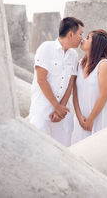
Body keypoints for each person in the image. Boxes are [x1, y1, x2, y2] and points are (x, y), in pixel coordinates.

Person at [29, 17, 84, 146]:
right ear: (71, 34)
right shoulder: (46, 48)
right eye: (80, 34)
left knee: (65, 144)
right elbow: (41, 80)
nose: (82, 38)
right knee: (36, 144)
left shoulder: (74, 55)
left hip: (62, 108)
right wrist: (56, 106)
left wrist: (61, 108)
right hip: (41, 105)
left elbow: (71, 83)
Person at [71, 29, 107, 144]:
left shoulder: (103, 65)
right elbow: (75, 93)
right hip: (82, 118)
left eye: (88, 38)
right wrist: (79, 116)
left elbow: (104, 95)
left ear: (96, 44)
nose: (83, 39)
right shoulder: (79, 64)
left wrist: (91, 119)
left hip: (102, 117)